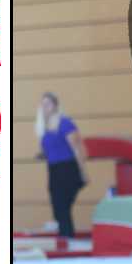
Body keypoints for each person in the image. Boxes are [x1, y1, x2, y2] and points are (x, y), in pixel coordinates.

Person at [35, 92, 88, 239]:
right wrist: (43, 155)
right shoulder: (44, 128)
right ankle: (65, 235)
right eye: (43, 104)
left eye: (48, 104)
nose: (45, 107)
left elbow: (77, 148)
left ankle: (67, 236)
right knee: (58, 208)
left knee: (62, 206)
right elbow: (52, 148)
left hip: (68, 168)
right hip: (54, 169)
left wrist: (83, 172)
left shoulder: (65, 123)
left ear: (55, 105)